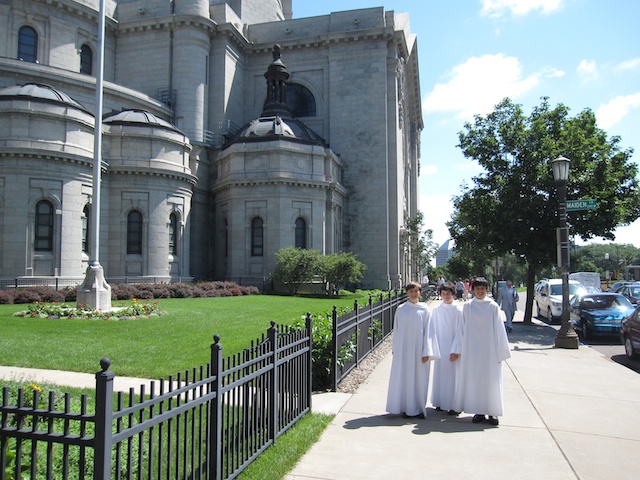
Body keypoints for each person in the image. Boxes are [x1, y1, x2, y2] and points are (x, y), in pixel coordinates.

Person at [452, 277, 511, 426]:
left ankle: (492, 412)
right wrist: (458, 349)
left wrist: (502, 351)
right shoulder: (468, 307)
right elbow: (461, 329)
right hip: (472, 350)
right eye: (477, 289)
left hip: (490, 350)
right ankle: (479, 411)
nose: (480, 291)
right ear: (473, 290)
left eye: (482, 289)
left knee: (491, 380)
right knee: (475, 381)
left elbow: (499, 329)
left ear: (487, 289)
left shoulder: (493, 307)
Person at [386, 281, 439, 419]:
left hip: (419, 350)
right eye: (411, 291)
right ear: (407, 293)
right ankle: (407, 407)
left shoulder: (424, 309)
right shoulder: (401, 309)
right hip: (404, 349)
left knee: (420, 379)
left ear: (420, 293)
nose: (414, 294)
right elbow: (397, 330)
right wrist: (396, 348)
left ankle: (419, 408)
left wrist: (427, 351)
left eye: (416, 291)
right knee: (405, 378)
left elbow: (429, 331)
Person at [430, 282, 463, 415]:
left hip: (452, 347)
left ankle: (454, 405)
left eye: (448, 294)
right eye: (443, 294)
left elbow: (461, 331)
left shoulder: (458, 310)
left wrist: (456, 349)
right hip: (440, 346)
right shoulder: (437, 310)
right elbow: (432, 329)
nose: (445, 296)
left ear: (453, 294)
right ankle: (440, 401)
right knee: (440, 375)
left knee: (453, 376)